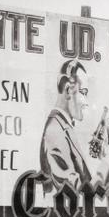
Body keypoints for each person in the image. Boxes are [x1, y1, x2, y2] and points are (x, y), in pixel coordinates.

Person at [39, 59, 92, 193]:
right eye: (83, 93)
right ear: (68, 90)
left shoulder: (62, 125)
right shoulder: (55, 130)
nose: (86, 102)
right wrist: (107, 163)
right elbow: (75, 192)